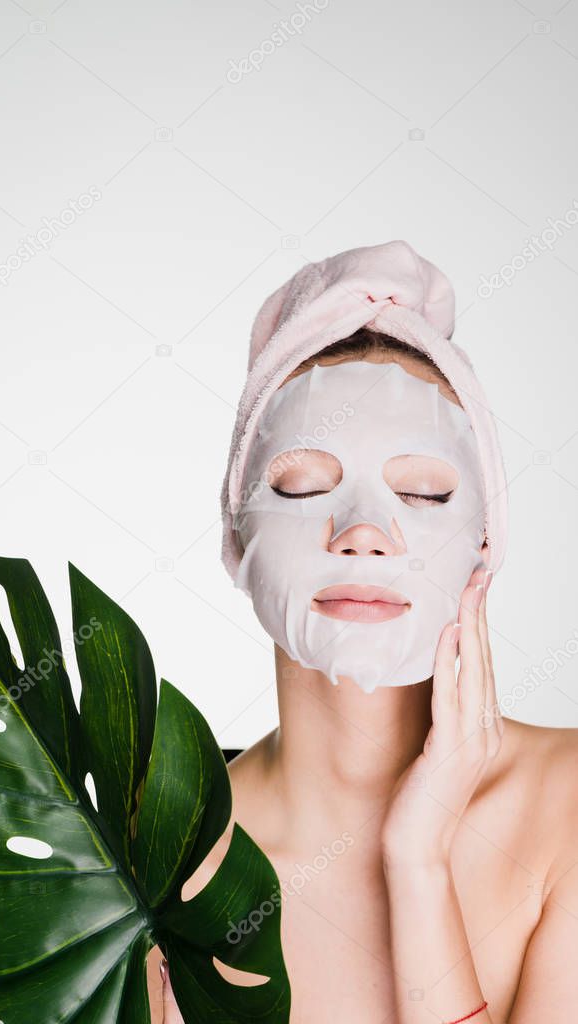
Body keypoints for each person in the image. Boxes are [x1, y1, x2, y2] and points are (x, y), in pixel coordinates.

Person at [147, 242, 578, 1023]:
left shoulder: (569, 807)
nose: (363, 533)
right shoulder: (158, 863)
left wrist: (418, 861)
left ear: (487, 538)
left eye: (422, 491)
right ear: (236, 538)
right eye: (302, 485)